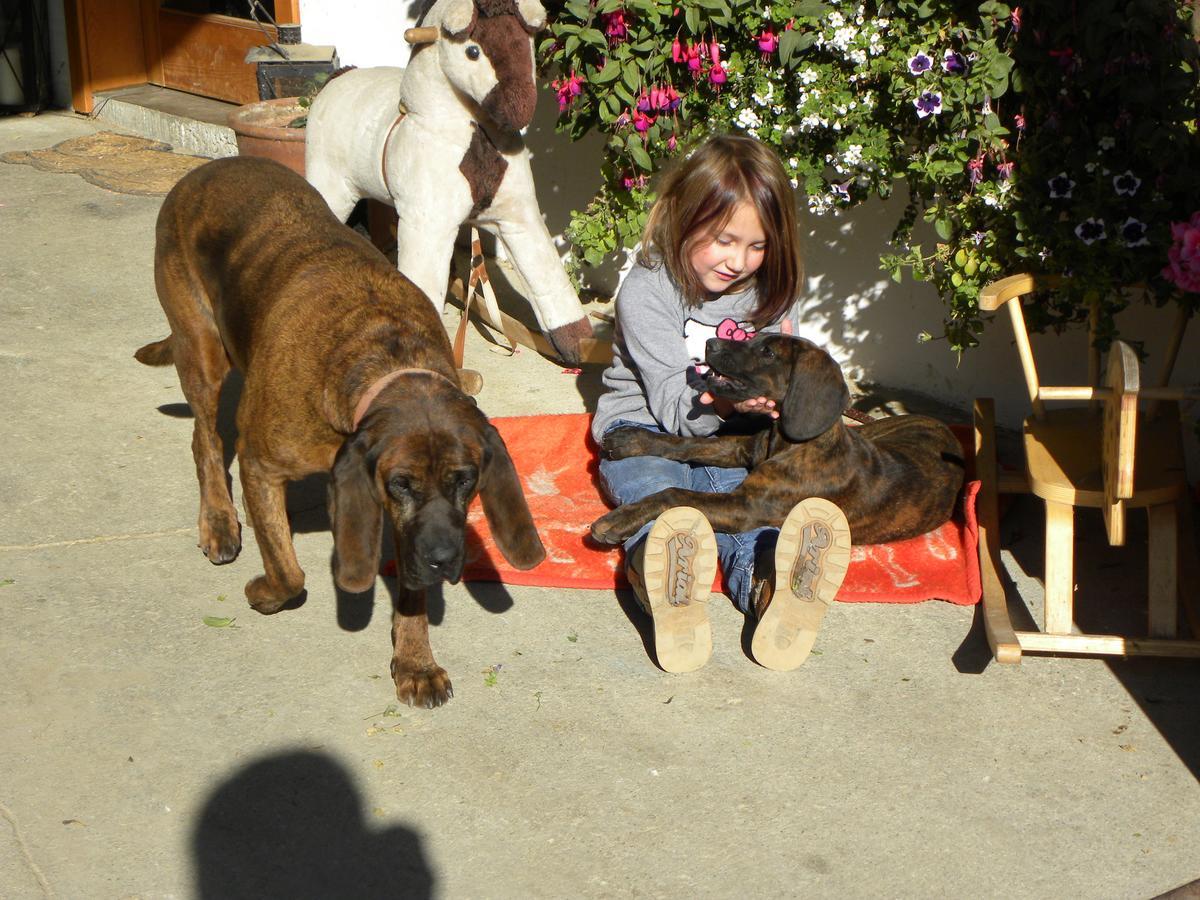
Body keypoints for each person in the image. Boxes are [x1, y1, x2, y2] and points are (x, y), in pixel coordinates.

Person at [591, 133, 851, 674]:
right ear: (686, 217)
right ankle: (662, 578)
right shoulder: (648, 290)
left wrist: (771, 408)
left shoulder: (770, 292)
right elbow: (670, 403)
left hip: (736, 435)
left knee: (747, 507)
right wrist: (733, 408)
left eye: (757, 246)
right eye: (725, 240)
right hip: (645, 425)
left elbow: (783, 377)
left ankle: (768, 587)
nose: (740, 260)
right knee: (653, 493)